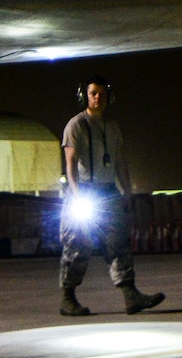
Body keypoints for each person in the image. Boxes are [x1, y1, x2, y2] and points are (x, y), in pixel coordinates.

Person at [58, 75, 165, 317]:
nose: (98, 97)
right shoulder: (75, 125)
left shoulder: (113, 127)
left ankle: (131, 295)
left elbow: (119, 162)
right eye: (93, 93)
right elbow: (70, 165)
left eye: (102, 93)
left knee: (119, 244)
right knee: (77, 245)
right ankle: (68, 297)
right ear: (85, 96)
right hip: (84, 191)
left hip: (108, 192)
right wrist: (75, 196)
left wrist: (127, 191)